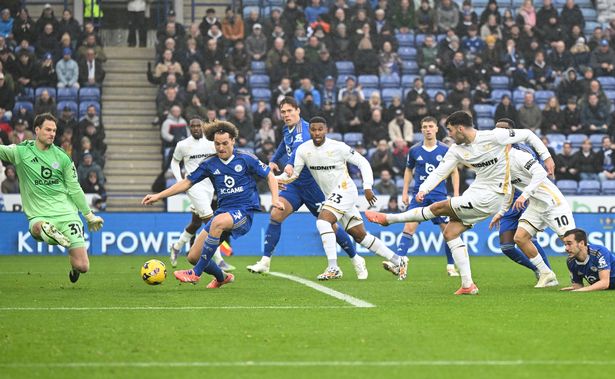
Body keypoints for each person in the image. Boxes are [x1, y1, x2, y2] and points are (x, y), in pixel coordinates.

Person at [366, 111, 554, 295]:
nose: (448, 134)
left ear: (460, 128)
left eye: (449, 130)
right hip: (477, 191)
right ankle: (468, 285)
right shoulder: (456, 150)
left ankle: (389, 219)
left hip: (493, 195)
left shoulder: (494, 136)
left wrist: (547, 157)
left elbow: (528, 134)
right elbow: (440, 172)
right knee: (450, 232)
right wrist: (424, 189)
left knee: (440, 207)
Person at [142, 121, 284, 288]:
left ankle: (195, 273)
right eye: (217, 144)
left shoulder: (246, 159)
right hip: (223, 213)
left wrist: (275, 199)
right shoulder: (210, 164)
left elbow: (270, 176)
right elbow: (186, 183)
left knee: (216, 222)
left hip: (243, 213)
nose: (221, 147)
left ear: (233, 141)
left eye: (225, 143)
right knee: (193, 256)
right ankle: (221, 277)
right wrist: (159, 195)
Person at [246, 97, 363, 277]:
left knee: (330, 225)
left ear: (298, 110)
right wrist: (274, 160)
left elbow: (300, 148)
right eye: (283, 112)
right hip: (294, 185)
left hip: (313, 186)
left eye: (289, 111)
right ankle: (265, 261)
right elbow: (284, 145)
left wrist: (291, 164)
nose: (286, 115)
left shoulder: (306, 130)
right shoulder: (287, 129)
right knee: (276, 214)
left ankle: (355, 258)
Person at [278, 116, 407, 280]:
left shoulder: (338, 147)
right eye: (313, 129)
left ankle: (333, 267)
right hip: (333, 196)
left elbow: (363, 163)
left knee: (323, 221)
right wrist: (274, 179)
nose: (317, 133)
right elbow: (293, 174)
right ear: (309, 130)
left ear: (326, 130)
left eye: (320, 129)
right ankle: (398, 260)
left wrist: (367, 186)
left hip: (346, 190)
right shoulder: (303, 150)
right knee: (360, 236)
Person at [0, 113, 104, 283]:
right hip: (40, 215)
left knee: (83, 266)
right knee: (38, 228)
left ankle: (71, 262)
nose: (52, 134)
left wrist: (89, 215)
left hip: (66, 214)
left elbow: (74, 188)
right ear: (37, 130)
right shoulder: (20, 152)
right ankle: (50, 232)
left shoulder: (62, 157)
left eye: (54, 130)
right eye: (48, 130)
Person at [488, 119, 569, 288]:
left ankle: (594, 269)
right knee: (518, 239)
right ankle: (546, 274)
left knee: (570, 242)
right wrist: (501, 212)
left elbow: (540, 173)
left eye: (502, 132)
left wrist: (524, 195)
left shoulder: (521, 154)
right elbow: (509, 189)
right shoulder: (499, 161)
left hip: (550, 201)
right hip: (532, 204)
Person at [392, 116, 460, 278]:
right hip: (419, 196)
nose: (428, 129)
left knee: (447, 231)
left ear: (436, 129)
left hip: (439, 196)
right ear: (421, 130)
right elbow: (409, 170)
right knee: (408, 227)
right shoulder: (414, 150)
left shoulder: (445, 150)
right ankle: (400, 264)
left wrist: (456, 194)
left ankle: (451, 266)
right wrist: (404, 192)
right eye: (424, 127)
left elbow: (454, 171)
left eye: (431, 126)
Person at [168, 118, 234, 271]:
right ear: (189, 128)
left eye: (199, 126)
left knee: (196, 223)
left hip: (209, 187)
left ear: (203, 127)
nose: (196, 128)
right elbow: (174, 162)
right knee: (211, 222)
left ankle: (176, 247)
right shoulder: (182, 145)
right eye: (193, 126)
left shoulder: (211, 144)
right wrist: (180, 181)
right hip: (193, 186)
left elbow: (221, 157)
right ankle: (219, 259)